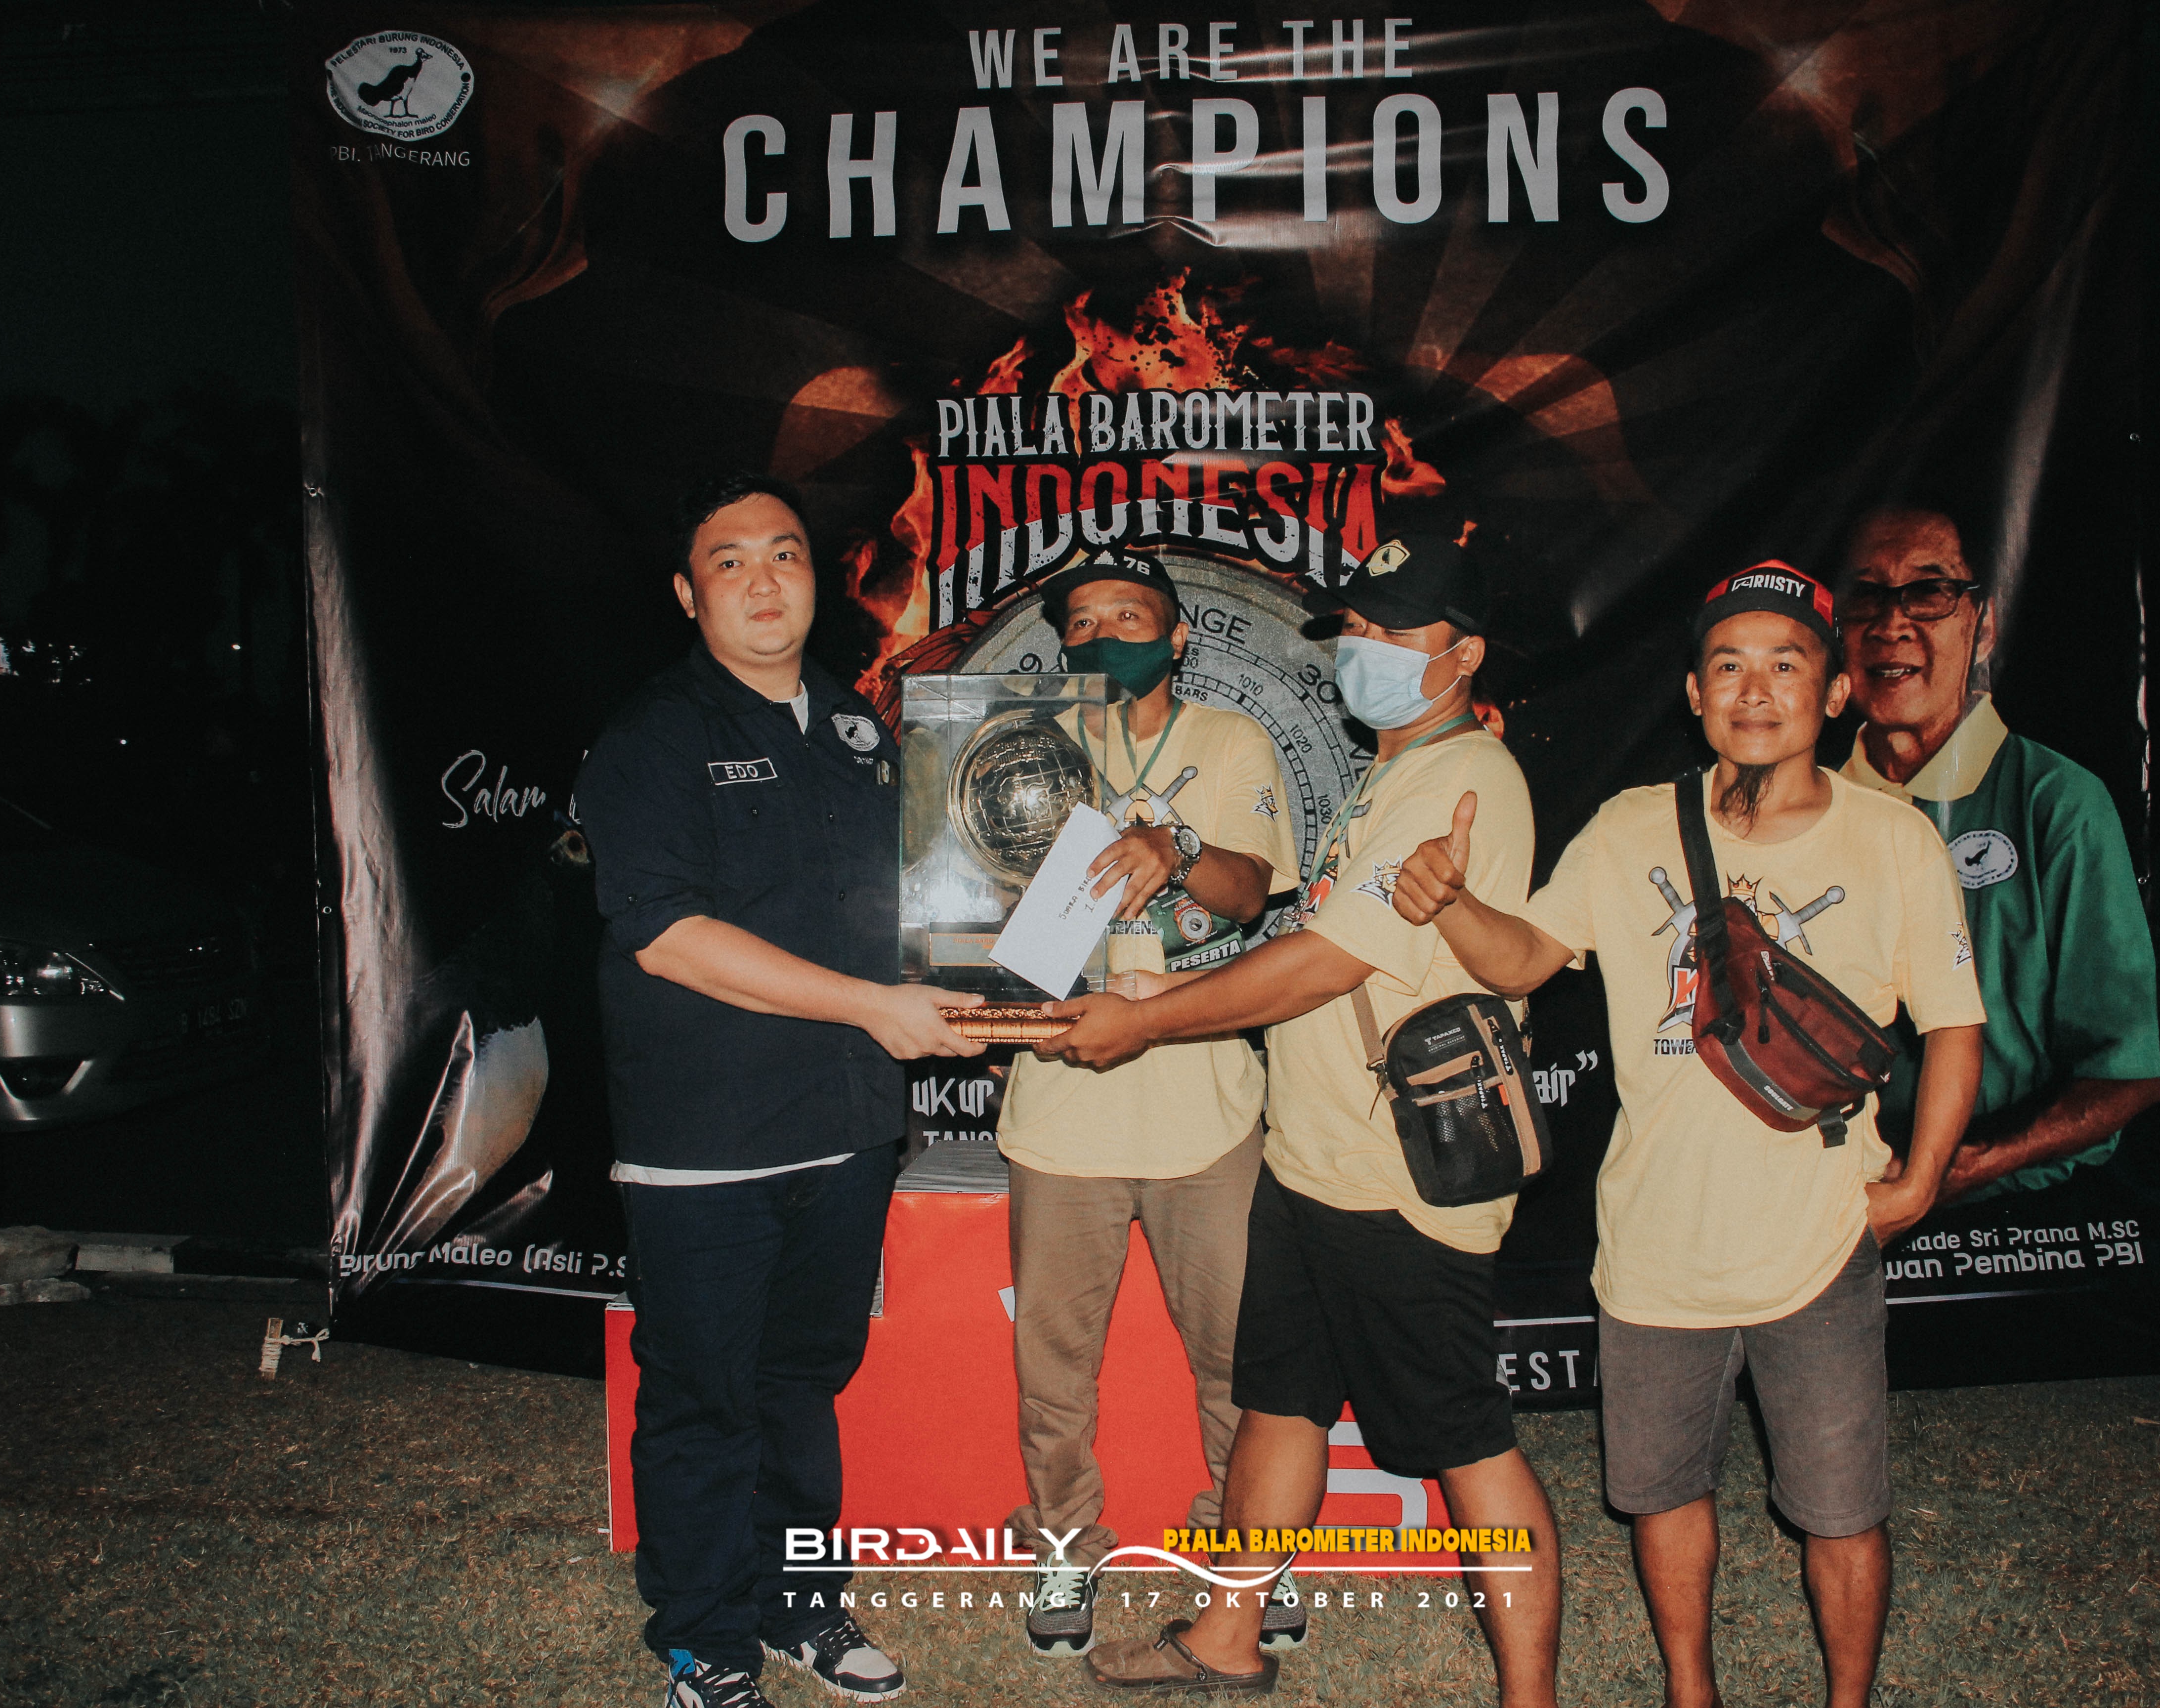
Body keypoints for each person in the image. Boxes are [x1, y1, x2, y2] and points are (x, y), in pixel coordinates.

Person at [1392, 561, 1986, 1708]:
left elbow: (1956, 1025)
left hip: (1818, 1236)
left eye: (1785, 665)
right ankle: (1689, 1691)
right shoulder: (1630, 829)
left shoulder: (1894, 840)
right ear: (1694, 693)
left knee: (1842, 1509)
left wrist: (1919, 1183)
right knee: (1663, 1494)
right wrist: (1454, 905)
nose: (1755, 691)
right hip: (1654, 1243)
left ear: (1837, 692)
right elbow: (1526, 961)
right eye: (1729, 666)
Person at [1038, 530, 1564, 1707]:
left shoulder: (1465, 780)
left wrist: (1153, 1025)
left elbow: (1326, 965)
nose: (1366, 646)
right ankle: (1229, 1637)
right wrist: (1164, 996)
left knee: (1469, 1444)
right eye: (1358, 628)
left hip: (1400, 1179)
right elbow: (1318, 940)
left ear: (1467, 654)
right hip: (1313, 1157)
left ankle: (1530, 1697)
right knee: (1279, 1404)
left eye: (1396, 628)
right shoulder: (1388, 773)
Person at [573, 473, 984, 1708]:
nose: (764, 580)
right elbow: (667, 938)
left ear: (817, 577)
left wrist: (1001, 958)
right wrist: (874, 1006)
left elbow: (912, 906)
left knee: (802, 1384)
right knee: (703, 1398)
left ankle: (800, 1599)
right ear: (688, 593)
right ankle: (704, 1637)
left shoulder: (858, 731)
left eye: (787, 554)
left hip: (845, 1128)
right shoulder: (652, 738)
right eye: (732, 560)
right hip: (708, 1141)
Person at [993, 546, 1304, 1657]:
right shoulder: (1019, 751)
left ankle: (1247, 1559)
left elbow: (1253, 893)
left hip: (1205, 1109)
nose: (1103, 633)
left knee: (1237, 1363)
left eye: (1129, 614)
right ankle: (1064, 1547)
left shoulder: (1232, 741)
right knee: (1053, 1373)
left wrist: (1174, 845)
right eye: (1081, 621)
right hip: (1059, 1106)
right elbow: (975, 909)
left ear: (1177, 635)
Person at [1836, 506, 2160, 1197]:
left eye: (1929, 592)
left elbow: (2128, 1070)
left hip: (2015, 1207)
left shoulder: (2058, 803)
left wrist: (1962, 1167)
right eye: (1866, 595)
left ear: (1983, 625)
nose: (1891, 624)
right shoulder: (1809, 809)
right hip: (1838, 1201)